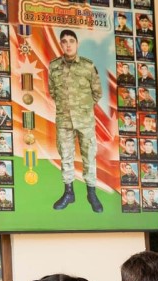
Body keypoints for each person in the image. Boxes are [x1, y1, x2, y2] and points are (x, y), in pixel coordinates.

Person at [48, 29, 104, 213]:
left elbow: (97, 93)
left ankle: (91, 193)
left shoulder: (88, 66)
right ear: (61, 45)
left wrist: (83, 109)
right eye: (64, 41)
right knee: (66, 156)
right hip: (64, 120)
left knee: (89, 156)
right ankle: (69, 193)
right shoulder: (54, 67)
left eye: (71, 41)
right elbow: (53, 92)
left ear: (77, 43)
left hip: (85, 121)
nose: (68, 44)